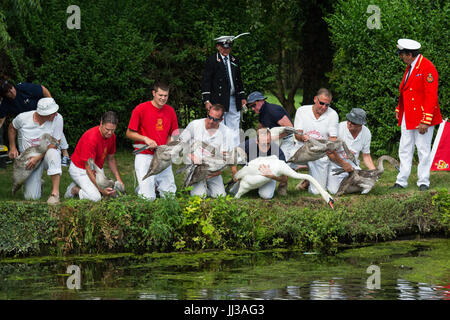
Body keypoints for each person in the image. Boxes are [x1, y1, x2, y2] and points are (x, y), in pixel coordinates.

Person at [392, 39, 442, 191]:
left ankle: (423, 181)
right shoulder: (411, 66)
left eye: (402, 54)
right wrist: (399, 109)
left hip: (422, 117)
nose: (401, 57)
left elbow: (431, 96)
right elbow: (408, 91)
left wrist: (426, 120)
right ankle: (401, 180)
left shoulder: (427, 67)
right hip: (409, 115)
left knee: (423, 149)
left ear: (410, 54)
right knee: (405, 147)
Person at [293, 88, 353, 194]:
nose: (324, 107)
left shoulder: (333, 114)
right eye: (321, 103)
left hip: (320, 152)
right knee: (283, 163)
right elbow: (297, 134)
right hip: (301, 148)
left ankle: (309, 181)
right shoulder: (302, 110)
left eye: (327, 105)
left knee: (317, 192)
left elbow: (332, 141)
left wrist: (330, 150)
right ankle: (281, 187)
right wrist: (302, 137)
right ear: (315, 99)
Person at [126, 82, 179, 200]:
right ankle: (143, 188)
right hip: (145, 155)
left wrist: (169, 146)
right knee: (148, 198)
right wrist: (145, 139)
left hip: (162, 155)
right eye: (160, 95)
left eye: (166, 95)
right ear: (153, 93)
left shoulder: (170, 111)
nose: (163, 98)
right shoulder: (140, 109)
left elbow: (173, 133)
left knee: (169, 196)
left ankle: (150, 186)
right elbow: (129, 133)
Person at [0, 77, 71, 165]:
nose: (12, 92)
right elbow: (1, 119)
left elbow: (42, 89)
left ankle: (65, 155)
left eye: (11, 88)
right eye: (8, 92)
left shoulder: (23, 88)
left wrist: (51, 104)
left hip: (42, 114)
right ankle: (26, 159)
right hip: (27, 122)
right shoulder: (5, 103)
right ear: (4, 95)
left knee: (56, 124)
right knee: (21, 132)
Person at [8, 97, 63, 204]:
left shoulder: (58, 118)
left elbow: (55, 143)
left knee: (53, 153)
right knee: (31, 198)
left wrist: (38, 157)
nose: (56, 114)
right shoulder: (23, 118)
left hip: (46, 155)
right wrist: (12, 147)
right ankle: (39, 183)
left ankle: (55, 194)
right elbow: (11, 127)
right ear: (43, 114)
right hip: (29, 161)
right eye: (53, 113)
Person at [246, 90, 299, 194]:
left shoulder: (273, 111)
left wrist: (275, 138)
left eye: (253, 105)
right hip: (273, 138)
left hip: (286, 139)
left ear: (260, 101)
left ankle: (283, 185)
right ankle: (259, 182)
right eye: (250, 106)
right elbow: (261, 127)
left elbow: (291, 129)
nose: (252, 109)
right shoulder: (261, 112)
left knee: (282, 162)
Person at [64, 111, 124, 201]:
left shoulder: (112, 136)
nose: (110, 133)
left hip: (96, 169)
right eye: (107, 129)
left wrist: (119, 180)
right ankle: (74, 190)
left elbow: (111, 159)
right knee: (96, 198)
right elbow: (88, 169)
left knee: (110, 194)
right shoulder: (91, 138)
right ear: (101, 123)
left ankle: (83, 185)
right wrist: (101, 190)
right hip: (80, 169)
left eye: (113, 130)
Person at [201, 34, 247, 147]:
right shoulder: (212, 60)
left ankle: (234, 153)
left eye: (229, 47)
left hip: (233, 98)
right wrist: (206, 100)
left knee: (234, 126)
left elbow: (238, 80)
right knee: (218, 126)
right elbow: (206, 81)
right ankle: (219, 151)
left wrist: (242, 96)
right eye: (224, 47)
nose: (227, 50)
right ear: (218, 46)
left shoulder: (234, 59)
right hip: (218, 99)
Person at [179, 103, 235, 198]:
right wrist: (192, 156)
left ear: (221, 120)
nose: (211, 121)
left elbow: (227, 157)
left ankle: (205, 186)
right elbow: (181, 143)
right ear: (208, 113)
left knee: (220, 196)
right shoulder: (195, 124)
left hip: (213, 170)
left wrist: (218, 172)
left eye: (215, 119)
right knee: (200, 196)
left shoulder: (227, 132)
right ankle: (192, 182)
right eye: (210, 117)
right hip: (196, 167)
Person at [326, 108, 376, 194]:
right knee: (334, 190)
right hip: (335, 166)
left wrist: (374, 172)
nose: (349, 123)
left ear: (360, 124)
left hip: (354, 167)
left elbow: (366, 155)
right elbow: (329, 152)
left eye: (353, 122)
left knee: (369, 183)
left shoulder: (366, 133)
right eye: (348, 120)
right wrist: (343, 163)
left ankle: (349, 183)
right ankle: (323, 178)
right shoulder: (338, 128)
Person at [230, 127, 288, 199]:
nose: (266, 147)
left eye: (268, 143)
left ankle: (257, 188)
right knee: (232, 192)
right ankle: (250, 186)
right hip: (250, 172)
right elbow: (235, 152)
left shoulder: (277, 151)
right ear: (256, 141)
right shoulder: (249, 143)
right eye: (263, 144)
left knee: (266, 195)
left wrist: (272, 176)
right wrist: (234, 171)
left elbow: (285, 179)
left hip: (268, 177)